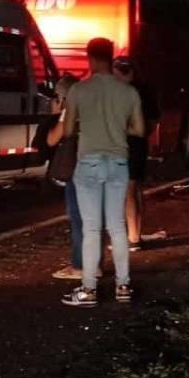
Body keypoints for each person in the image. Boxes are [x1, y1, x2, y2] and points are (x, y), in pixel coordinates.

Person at [61, 38, 145, 307]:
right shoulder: (128, 92)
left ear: (90, 58)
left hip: (88, 163)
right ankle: (123, 286)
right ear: (111, 58)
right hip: (119, 162)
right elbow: (140, 130)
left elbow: (68, 131)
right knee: (117, 227)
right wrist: (118, 128)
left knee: (91, 228)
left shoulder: (79, 90)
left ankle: (89, 289)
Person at [47, 75, 99, 281]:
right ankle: (95, 265)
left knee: (78, 219)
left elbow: (52, 140)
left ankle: (80, 267)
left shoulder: (69, 112)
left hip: (78, 171)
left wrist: (56, 114)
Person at [112, 57, 159, 251]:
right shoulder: (144, 90)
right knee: (135, 189)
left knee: (128, 191)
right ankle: (135, 233)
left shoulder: (122, 93)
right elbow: (154, 121)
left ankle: (132, 239)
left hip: (125, 146)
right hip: (139, 146)